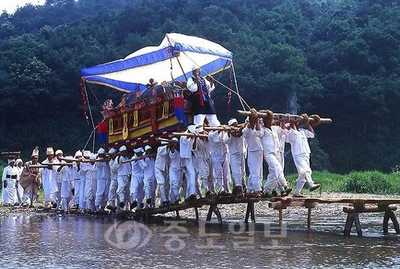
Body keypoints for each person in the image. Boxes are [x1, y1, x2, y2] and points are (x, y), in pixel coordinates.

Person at [286, 114, 321, 197]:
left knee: (302, 175)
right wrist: (292, 122)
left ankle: (297, 193)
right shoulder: (290, 133)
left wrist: (308, 123)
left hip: (306, 153)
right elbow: (294, 131)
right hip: (298, 155)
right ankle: (311, 184)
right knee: (306, 170)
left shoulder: (302, 131)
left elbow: (312, 134)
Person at [259, 110, 292, 197]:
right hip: (269, 153)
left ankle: (266, 190)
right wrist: (256, 120)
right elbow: (257, 132)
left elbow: (284, 131)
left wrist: (282, 120)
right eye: (268, 119)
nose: (271, 121)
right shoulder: (263, 130)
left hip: (277, 152)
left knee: (273, 173)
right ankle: (285, 186)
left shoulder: (274, 129)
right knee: (278, 168)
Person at [242, 109, 264, 197]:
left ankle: (248, 189)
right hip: (252, 152)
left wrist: (257, 120)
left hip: (259, 151)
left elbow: (259, 133)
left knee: (258, 172)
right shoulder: (245, 131)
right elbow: (248, 127)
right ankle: (257, 190)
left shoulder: (257, 129)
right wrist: (252, 119)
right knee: (255, 172)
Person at [225, 118, 247, 197]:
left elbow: (245, 141)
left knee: (242, 171)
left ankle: (242, 186)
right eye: (233, 125)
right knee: (236, 172)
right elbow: (225, 141)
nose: (235, 126)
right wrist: (229, 132)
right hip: (233, 154)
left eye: (236, 124)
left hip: (241, 153)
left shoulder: (241, 131)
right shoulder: (229, 133)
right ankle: (238, 188)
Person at [154, 141, 170, 207]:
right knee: (161, 183)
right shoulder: (160, 149)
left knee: (166, 184)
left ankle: (162, 202)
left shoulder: (168, 149)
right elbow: (165, 150)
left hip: (164, 168)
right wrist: (170, 144)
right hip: (158, 168)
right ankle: (164, 200)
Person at [116, 145, 131, 210]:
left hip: (127, 176)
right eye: (123, 152)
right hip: (121, 176)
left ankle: (128, 207)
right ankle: (121, 203)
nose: (124, 153)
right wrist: (119, 155)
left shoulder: (127, 158)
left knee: (127, 191)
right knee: (121, 188)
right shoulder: (119, 158)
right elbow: (118, 161)